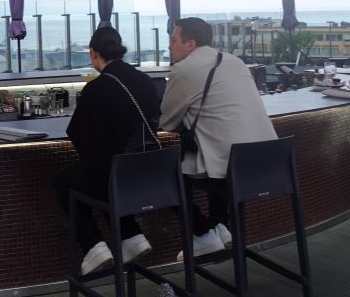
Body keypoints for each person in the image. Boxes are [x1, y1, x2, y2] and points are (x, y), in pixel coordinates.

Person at [159, 17, 277, 259]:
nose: (170, 46)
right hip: (271, 163)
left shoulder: (183, 70)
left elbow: (166, 122)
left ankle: (202, 234)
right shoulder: (236, 61)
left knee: (164, 175)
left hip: (232, 165)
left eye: (174, 40)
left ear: (190, 44)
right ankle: (219, 224)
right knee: (213, 147)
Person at [53, 27, 161, 275]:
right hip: (152, 177)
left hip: (119, 181)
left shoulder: (96, 89)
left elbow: (79, 135)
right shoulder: (144, 80)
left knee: (66, 180)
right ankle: (130, 235)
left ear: (93, 52)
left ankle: (93, 246)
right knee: (106, 170)